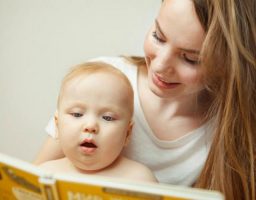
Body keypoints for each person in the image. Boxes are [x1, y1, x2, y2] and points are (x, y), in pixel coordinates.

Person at [34, 0, 256, 199]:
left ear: (226, 63)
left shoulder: (229, 126)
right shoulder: (102, 82)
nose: (159, 66)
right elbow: (30, 181)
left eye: (190, 58)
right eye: (158, 36)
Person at [38, 61, 157, 182]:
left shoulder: (140, 180)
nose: (90, 126)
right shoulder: (45, 174)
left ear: (127, 133)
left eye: (107, 118)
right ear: (57, 127)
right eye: (77, 114)